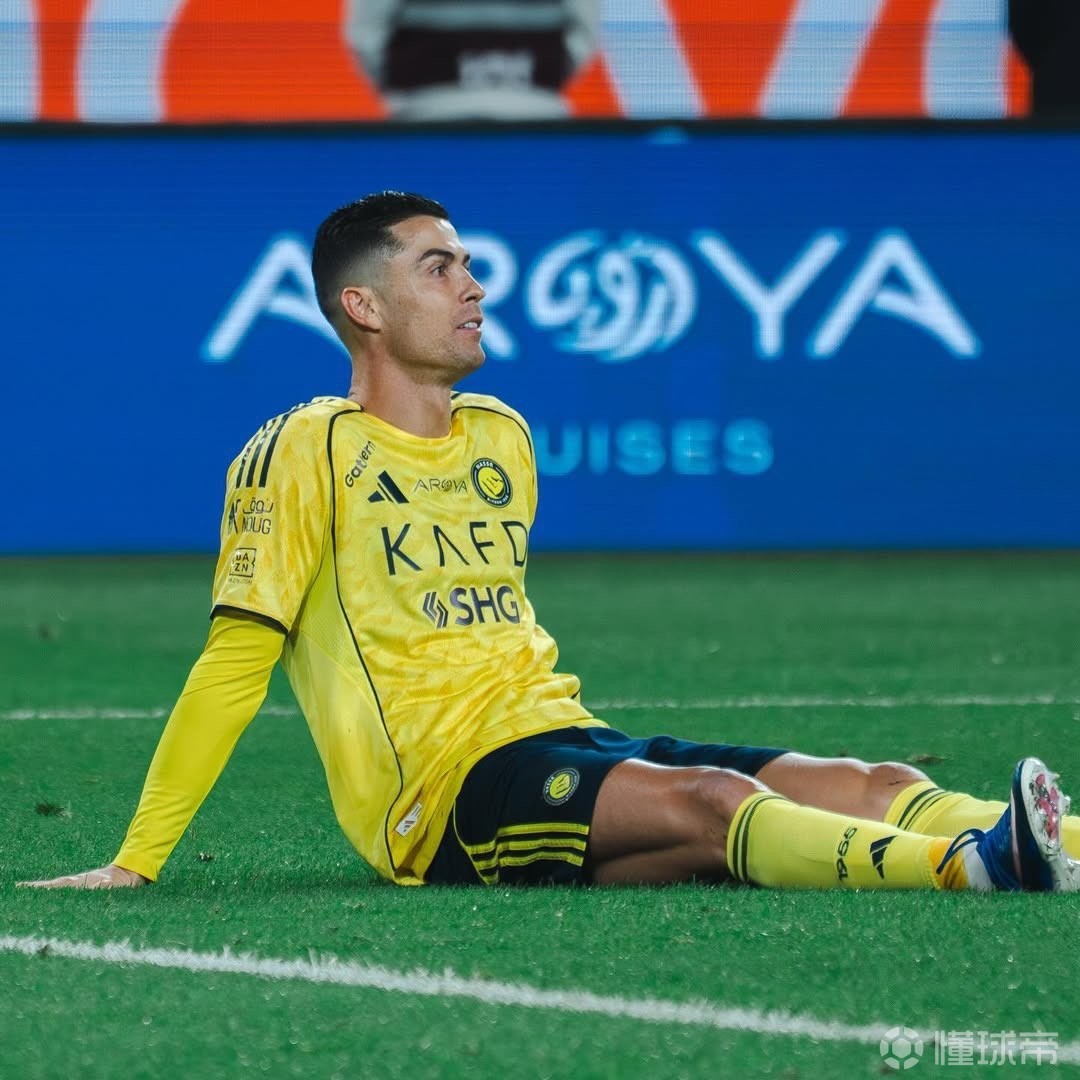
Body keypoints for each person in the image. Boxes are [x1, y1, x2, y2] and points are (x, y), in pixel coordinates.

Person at [18, 191, 1080, 895]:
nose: (474, 286)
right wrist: (137, 861)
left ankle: (1057, 842)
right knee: (719, 805)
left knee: (865, 777)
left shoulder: (503, 438)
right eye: (439, 268)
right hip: (444, 799)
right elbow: (235, 662)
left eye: (469, 265)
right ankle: (975, 868)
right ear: (363, 306)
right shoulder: (303, 449)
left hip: (566, 736)